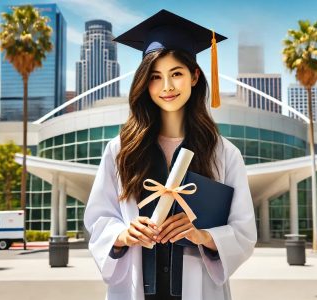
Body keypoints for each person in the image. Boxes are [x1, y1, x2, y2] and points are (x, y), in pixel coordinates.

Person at [84, 9, 257, 300]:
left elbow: (243, 230)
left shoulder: (223, 153)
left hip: (198, 288)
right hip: (135, 289)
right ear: (144, 82)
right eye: (155, 76)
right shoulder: (121, 149)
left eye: (176, 73)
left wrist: (203, 236)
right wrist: (123, 234)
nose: (166, 87)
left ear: (194, 76)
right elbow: (99, 218)